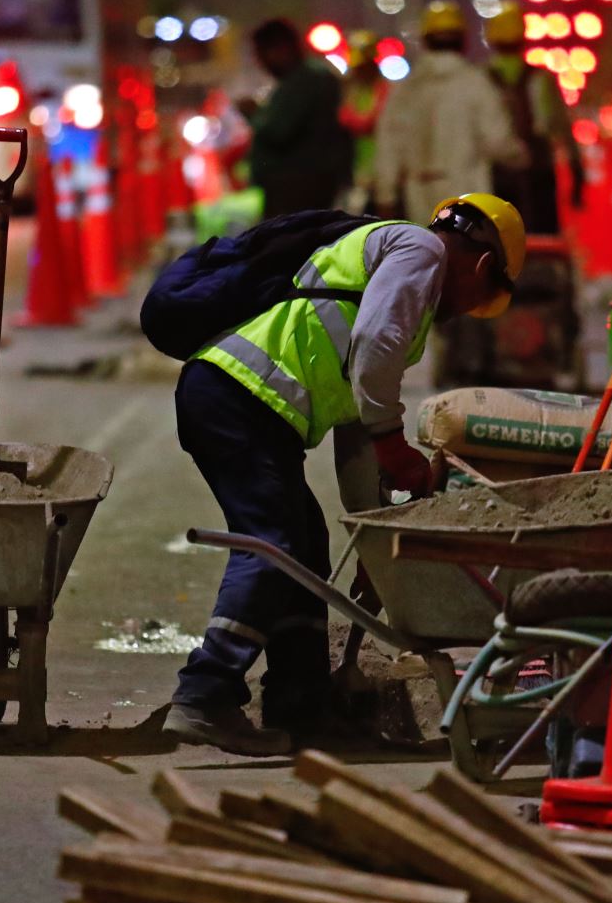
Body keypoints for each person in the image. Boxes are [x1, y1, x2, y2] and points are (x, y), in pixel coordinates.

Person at [164, 194, 527, 755]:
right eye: (480, 301)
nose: (465, 313)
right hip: (234, 398)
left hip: (246, 406)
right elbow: (373, 352)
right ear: (483, 267)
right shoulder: (419, 250)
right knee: (273, 541)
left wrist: (373, 542)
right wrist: (396, 446)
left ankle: (301, 704)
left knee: (306, 548)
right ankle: (205, 691)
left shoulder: (398, 280)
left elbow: (358, 422)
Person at [372, 1, 522, 227]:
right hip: (467, 195)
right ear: (463, 40)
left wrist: (386, 195)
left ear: (425, 40)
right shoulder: (476, 83)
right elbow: (498, 141)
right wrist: (522, 157)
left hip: (417, 196)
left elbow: (389, 145)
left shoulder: (406, 89)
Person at [484, 0, 583, 234]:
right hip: (539, 173)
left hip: (497, 174)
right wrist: (577, 173)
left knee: (502, 240)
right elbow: (562, 127)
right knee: (541, 238)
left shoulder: (480, 80)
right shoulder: (542, 79)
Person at [244, 18, 353, 218]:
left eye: (261, 54)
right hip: (303, 187)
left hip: (300, 188)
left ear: (281, 49)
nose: (260, 63)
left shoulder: (306, 79)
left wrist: (253, 114)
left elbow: (278, 130)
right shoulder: (304, 78)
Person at [337, 31, 388, 211]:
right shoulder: (354, 90)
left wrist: (348, 118)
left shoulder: (383, 90)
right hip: (357, 169)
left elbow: (368, 122)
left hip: (379, 169)